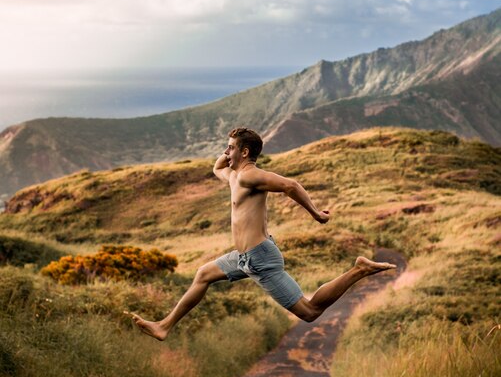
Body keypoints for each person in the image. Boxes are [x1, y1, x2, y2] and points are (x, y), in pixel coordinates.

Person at [127, 127, 396, 341]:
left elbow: (291, 185)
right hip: (244, 258)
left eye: (231, 148)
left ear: (245, 153)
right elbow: (216, 168)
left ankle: (358, 270)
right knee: (203, 275)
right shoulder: (234, 176)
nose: (226, 152)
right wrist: (229, 147)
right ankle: (164, 326)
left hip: (260, 258)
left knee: (310, 310)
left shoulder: (249, 176)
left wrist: (315, 214)